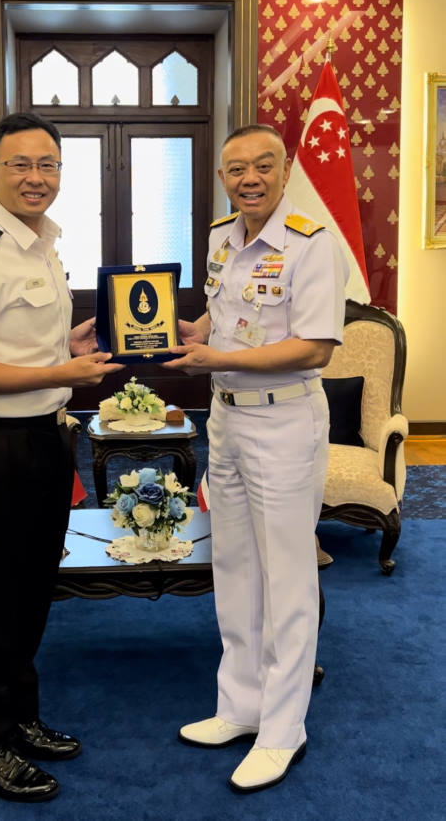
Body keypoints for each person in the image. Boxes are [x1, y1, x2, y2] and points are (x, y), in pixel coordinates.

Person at [0, 112, 124, 803]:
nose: (36, 177)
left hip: (45, 437)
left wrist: (64, 355)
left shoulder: (41, 246)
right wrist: (58, 376)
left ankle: (18, 719)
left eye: (47, 164)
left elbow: (17, 349)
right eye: (19, 164)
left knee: (32, 592)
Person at [163, 124, 348, 793]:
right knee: (234, 566)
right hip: (228, 422)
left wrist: (221, 358)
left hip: (286, 421)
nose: (249, 178)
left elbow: (315, 347)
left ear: (284, 169)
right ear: (222, 176)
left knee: (288, 579)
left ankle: (282, 728)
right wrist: (195, 335)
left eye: (263, 166)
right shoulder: (221, 237)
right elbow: (223, 311)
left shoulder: (310, 242)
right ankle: (239, 706)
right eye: (236, 168)